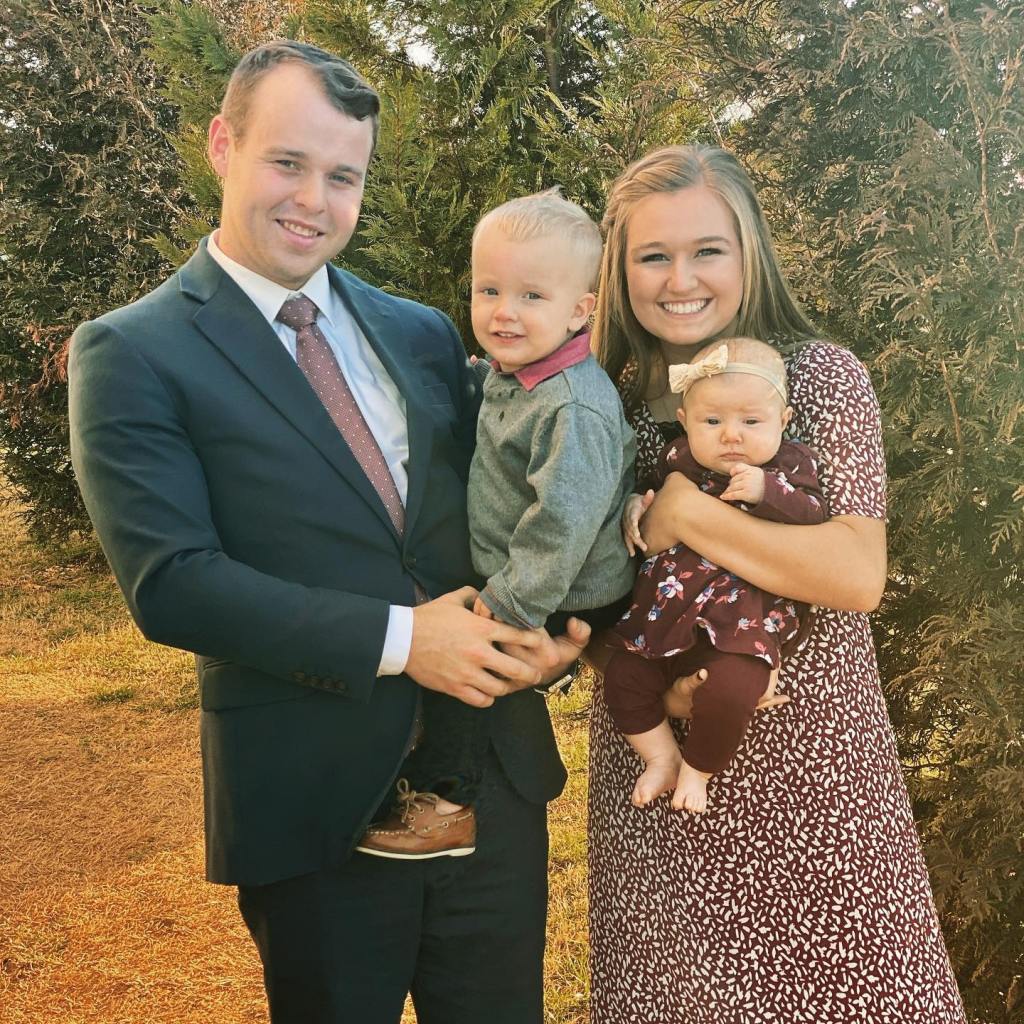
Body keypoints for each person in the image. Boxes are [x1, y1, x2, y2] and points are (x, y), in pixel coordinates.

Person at [67, 41, 586, 1024]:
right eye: (287, 163)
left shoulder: (421, 331)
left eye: (342, 175)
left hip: (493, 785)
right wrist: (406, 640)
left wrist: (551, 635)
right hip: (317, 805)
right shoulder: (131, 351)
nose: (314, 197)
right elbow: (172, 583)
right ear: (224, 145)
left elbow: (498, 508)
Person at [587, 145, 966, 1022]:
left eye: (707, 250)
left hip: (812, 775)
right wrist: (637, 668)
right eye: (653, 255)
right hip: (658, 775)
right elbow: (590, 592)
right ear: (620, 268)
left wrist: (687, 516)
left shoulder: (819, 377)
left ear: (749, 249)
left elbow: (855, 573)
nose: (681, 278)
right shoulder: (600, 400)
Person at [357, 189, 635, 859]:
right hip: (540, 573)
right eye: (489, 290)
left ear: (580, 310)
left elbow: (561, 522)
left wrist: (505, 605)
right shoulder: (523, 374)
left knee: (467, 666)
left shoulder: (576, 409)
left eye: (531, 297)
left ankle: (446, 801)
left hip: (570, 585)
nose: (504, 311)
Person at [608, 336, 826, 812]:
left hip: (742, 629)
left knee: (733, 691)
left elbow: (815, 518)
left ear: (783, 423)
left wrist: (769, 492)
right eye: (712, 421)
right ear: (684, 423)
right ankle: (661, 757)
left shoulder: (790, 466)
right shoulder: (675, 460)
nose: (732, 436)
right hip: (664, 620)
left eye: (751, 422)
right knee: (623, 676)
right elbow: (649, 500)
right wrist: (632, 507)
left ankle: (698, 770)